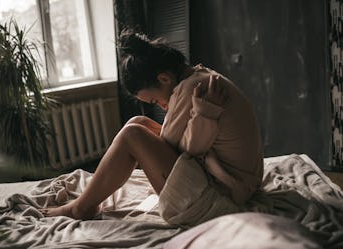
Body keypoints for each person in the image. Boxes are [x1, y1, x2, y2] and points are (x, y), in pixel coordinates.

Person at [41, 29, 263, 227]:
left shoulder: (191, 90)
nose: (163, 106)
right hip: (238, 185)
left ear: (164, 78)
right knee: (139, 123)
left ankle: (80, 208)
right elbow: (181, 143)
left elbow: (177, 147)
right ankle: (89, 200)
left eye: (156, 101)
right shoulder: (199, 77)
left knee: (132, 134)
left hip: (222, 197)